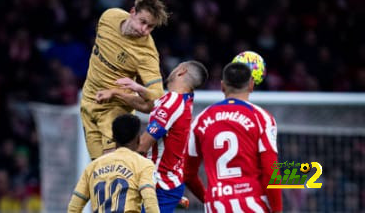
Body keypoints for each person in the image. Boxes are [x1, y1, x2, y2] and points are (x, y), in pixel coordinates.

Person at [96, 60, 208, 212]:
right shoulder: (181, 100)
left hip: (160, 187)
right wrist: (117, 93)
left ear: (181, 71)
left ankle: (175, 200)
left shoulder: (172, 103)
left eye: (175, 68)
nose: (172, 71)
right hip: (161, 182)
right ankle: (177, 200)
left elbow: (142, 146)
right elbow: (146, 105)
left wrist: (112, 158)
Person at [80, 0, 169, 160]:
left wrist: (133, 88)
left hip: (115, 111)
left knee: (112, 167)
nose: (144, 30)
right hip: (89, 102)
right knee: (98, 170)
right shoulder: (109, 16)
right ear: (132, 12)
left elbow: (157, 97)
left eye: (150, 27)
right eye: (143, 22)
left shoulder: (146, 53)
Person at [184, 62, 283, 212]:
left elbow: (187, 173)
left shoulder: (200, 120)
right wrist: (277, 210)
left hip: (217, 205)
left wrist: (208, 199)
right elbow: (271, 171)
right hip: (253, 205)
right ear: (251, 85)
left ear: (222, 85)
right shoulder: (261, 118)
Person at [67, 114, 160, 213]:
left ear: (113, 138)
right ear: (138, 139)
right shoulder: (144, 164)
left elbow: (74, 208)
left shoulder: (92, 167)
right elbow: (150, 203)